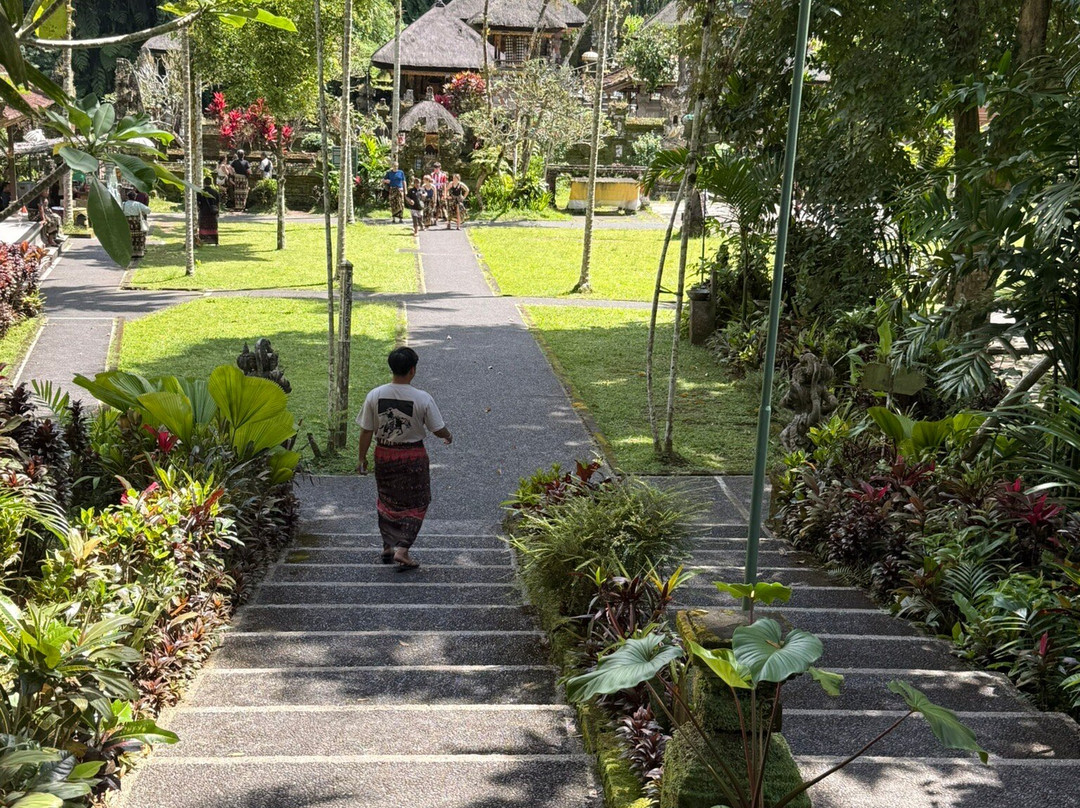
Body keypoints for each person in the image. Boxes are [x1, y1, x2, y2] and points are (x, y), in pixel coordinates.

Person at [356, 347, 453, 570]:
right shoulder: (422, 398)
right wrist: (448, 436)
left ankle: (388, 546)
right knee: (417, 502)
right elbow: (437, 428)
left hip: (384, 454)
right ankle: (403, 550)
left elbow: (366, 431)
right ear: (413, 370)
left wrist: (361, 458)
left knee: (387, 499)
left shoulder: (375, 395)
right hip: (413, 457)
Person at [121, 190, 151, 261]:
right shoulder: (138, 204)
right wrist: (142, 212)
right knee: (139, 237)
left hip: (127, 223)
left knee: (128, 237)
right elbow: (148, 210)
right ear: (135, 197)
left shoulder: (124, 204)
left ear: (128, 197)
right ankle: (139, 253)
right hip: (137, 223)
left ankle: (129, 252)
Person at [196, 176, 221, 246]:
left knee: (203, 226)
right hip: (213, 212)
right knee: (213, 227)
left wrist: (199, 209)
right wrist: (218, 211)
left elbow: (198, 203)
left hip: (203, 212)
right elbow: (218, 203)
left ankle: (203, 240)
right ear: (211, 183)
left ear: (204, 183)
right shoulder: (215, 192)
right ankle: (215, 241)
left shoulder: (201, 192)